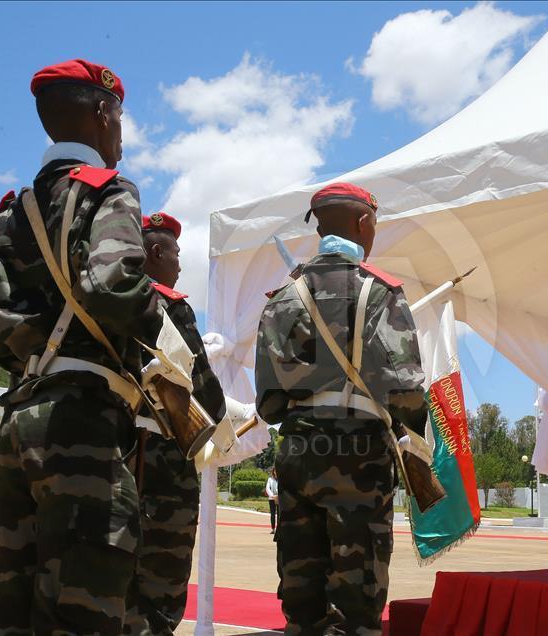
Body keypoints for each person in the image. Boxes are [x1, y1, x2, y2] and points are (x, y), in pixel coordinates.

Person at [0, 60, 165, 634]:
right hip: (82, 417)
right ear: (101, 113)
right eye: (118, 118)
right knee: (85, 602)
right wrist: (157, 327)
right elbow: (113, 285)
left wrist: (26, 344)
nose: (120, 133)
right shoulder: (107, 190)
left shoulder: (13, 211)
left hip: (19, 415)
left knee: (13, 604)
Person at [255, 182, 426, 635]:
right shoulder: (381, 292)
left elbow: (269, 403)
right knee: (357, 601)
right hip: (359, 454)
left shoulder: (284, 298)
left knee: (302, 598)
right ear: (364, 222)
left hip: (297, 451)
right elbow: (407, 390)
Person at [122, 211, 228, 635]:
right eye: (175, 254)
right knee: (158, 589)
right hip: (161, 458)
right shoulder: (169, 305)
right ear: (154, 252)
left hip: (112, 450)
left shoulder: (103, 299)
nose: (180, 264)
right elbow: (205, 391)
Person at [266, 467, 279, 534]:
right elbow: (267, 488)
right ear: (273, 472)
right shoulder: (270, 479)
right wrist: (272, 496)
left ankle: (279, 529)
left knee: (280, 515)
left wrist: (279, 495)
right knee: (273, 514)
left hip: (280, 499)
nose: (276, 472)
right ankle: (273, 529)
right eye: (275, 471)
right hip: (272, 499)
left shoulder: (281, 479)